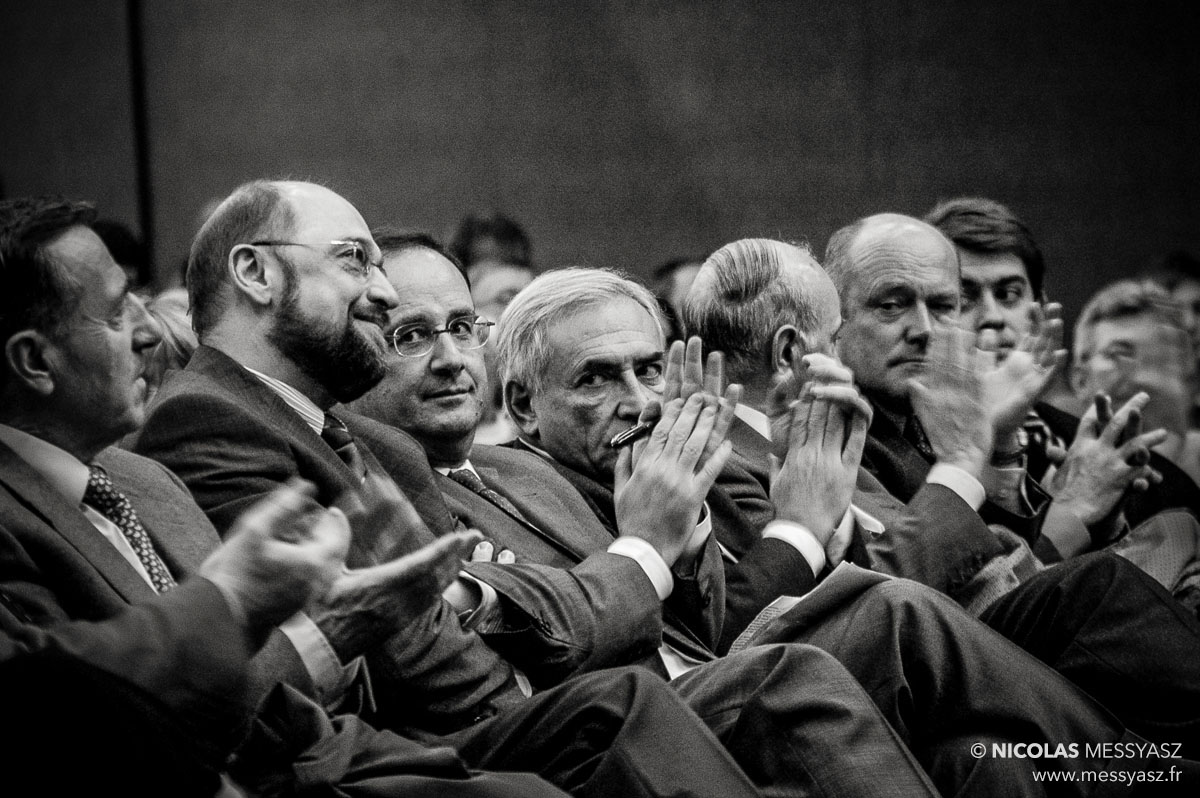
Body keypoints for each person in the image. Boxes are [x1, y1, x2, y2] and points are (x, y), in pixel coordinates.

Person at [350, 234, 1175, 796]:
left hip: (701, 675)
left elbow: (689, 617)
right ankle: (1156, 772)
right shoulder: (410, 481)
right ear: (526, 406)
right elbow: (623, 624)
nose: (639, 401)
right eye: (599, 378)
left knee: (984, 759)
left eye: (649, 371)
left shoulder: (537, 470)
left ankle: (1150, 767)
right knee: (896, 612)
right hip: (613, 719)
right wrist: (773, 525)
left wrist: (691, 540)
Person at [0, 192, 764, 798]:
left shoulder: (162, 474)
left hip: (399, 734)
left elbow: (431, 634)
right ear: (256, 273)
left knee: (778, 659)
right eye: (354, 261)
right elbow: (409, 665)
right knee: (643, 708)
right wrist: (276, 617)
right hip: (317, 762)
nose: (382, 290)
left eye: (464, 327)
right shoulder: (204, 423)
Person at [822, 213, 1200, 750]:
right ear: (832, 319)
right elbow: (894, 588)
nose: (925, 328)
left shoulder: (1019, 422)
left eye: (943, 305)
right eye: (891, 305)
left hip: (1016, 649)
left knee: (1177, 534)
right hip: (930, 665)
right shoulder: (831, 427)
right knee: (1104, 582)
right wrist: (1038, 489)